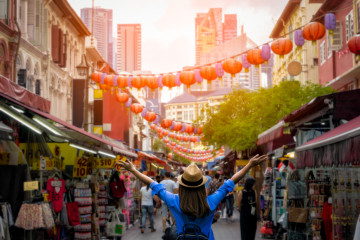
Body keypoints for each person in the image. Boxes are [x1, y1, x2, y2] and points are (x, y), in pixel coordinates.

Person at [117, 154, 266, 240]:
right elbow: (231, 182)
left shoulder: (175, 201)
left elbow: (153, 184)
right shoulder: (211, 202)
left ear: (182, 185)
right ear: (202, 186)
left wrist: (133, 170)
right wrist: (249, 165)